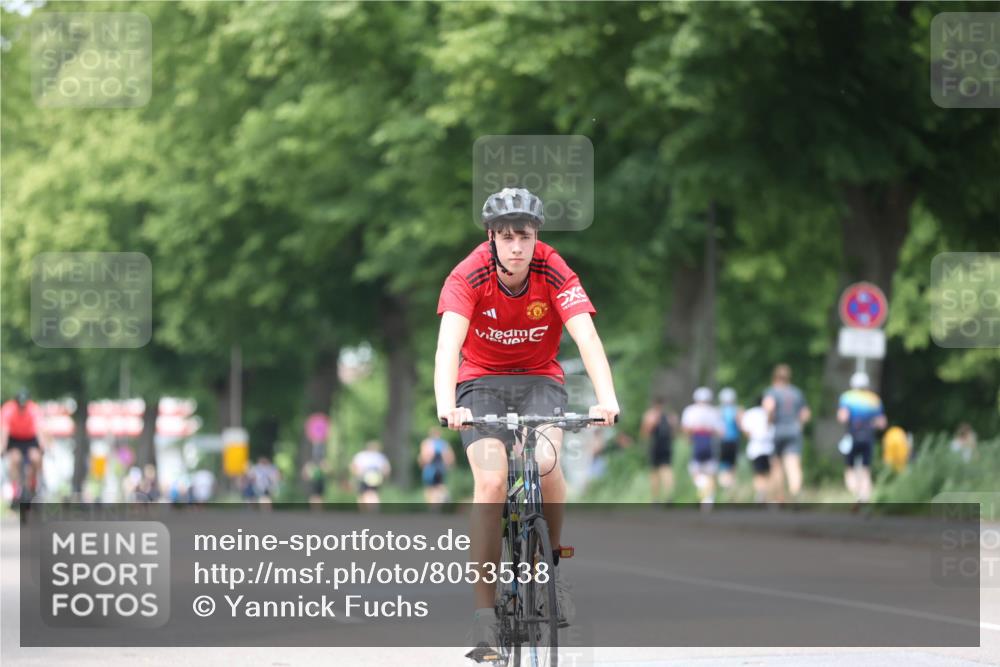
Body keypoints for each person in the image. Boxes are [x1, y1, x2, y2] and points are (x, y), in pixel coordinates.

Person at [435, 187, 619, 659]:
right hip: (480, 384)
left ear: (537, 237)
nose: (517, 246)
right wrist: (447, 405)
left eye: (526, 236)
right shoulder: (468, 274)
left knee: (546, 463)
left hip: (539, 380)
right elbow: (447, 347)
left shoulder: (553, 269)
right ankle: (483, 616)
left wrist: (606, 399)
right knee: (491, 482)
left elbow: (587, 338)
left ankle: (550, 570)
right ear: (491, 238)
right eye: (507, 237)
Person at [762, 364, 811, 502]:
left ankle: (779, 498)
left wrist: (768, 422)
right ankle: (796, 494)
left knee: (776, 466)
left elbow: (769, 408)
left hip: (777, 430)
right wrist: (799, 425)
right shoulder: (797, 392)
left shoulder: (771, 391)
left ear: (775, 377)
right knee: (793, 465)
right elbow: (806, 414)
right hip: (794, 431)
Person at [837, 372, 887, 505]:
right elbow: (882, 423)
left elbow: (843, 418)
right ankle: (865, 498)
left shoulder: (847, 397)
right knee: (866, 470)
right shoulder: (874, 399)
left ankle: (856, 493)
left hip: (852, 436)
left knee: (849, 468)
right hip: (868, 437)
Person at [1, 389, 50, 506]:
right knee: (15, 459)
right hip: (14, 438)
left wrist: (42, 445)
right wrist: (2, 447)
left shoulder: (33, 409)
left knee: (36, 459)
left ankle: (33, 488)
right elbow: (4, 429)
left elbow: (39, 428)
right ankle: (15, 491)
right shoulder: (8, 409)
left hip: (30, 438)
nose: (21, 408)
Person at [681, 387, 725, 509]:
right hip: (710, 442)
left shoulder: (690, 411)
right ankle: (708, 498)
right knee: (710, 472)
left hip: (698, 441)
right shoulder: (714, 412)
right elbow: (721, 431)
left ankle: (704, 489)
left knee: (695, 471)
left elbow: (686, 428)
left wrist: (689, 438)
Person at [640, 397, 676, 503]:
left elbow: (645, 433)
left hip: (656, 446)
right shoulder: (669, 417)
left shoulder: (650, 415)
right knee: (666, 471)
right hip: (666, 446)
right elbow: (673, 433)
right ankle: (667, 496)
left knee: (656, 473)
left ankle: (657, 498)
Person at [740, 395, 775, 503]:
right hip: (768, 447)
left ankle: (761, 493)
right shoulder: (768, 413)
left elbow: (745, 429)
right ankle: (766, 494)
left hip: (756, 447)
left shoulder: (750, 413)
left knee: (759, 473)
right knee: (768, 473)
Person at [418, 427, 455, 506]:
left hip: (429, 468)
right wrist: (448, 466)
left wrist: (422, 465)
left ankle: (434, 506)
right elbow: (450, 457)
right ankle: (442, 500)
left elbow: (423, 457)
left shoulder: (427, 443)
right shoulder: (443, 444)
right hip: (440, 468)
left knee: (429, 489)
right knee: (440, 486)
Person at [717, 387, 742, 495]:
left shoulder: (719, 411)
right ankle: (730, 488)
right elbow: (740, 426)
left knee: (723, 466)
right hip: (733, 441)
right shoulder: (736, 410)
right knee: (732, 466)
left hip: (723, 441)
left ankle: (726, 488)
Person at [350, 440, 391, 506]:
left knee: (368, 494)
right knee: (366, 495)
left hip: (373, 478)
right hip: (367, 477)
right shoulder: (363, 455)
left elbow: (386, 468)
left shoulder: (378, 456)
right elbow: (386, 469)